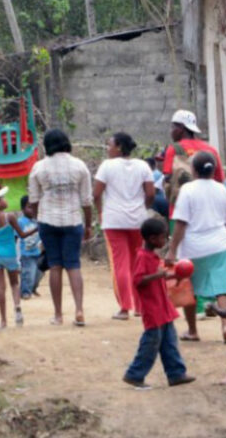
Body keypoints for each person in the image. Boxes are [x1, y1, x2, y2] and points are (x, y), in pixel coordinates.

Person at [166, 151, 226, 342]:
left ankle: (193, 330)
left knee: (189, 289)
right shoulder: (222, 189)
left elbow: (180, 223)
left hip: (193, 247)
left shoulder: (187, 190)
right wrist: (223, 239)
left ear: (193, 170)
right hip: (220, 244)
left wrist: (172, 250)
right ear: (213, 170)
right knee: (222, 287)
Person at [27, 129, 93, 326]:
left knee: (55, 266)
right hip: (73, 220)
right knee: (73, 265)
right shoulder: (80, 166)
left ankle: (58, 314)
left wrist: (39, 220)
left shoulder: (39, 167)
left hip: (48, 220)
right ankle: (79, 310)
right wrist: (88, 225)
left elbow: (33, 200)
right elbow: (86, 201)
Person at [123, 217, 196, 389]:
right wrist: (158, 275)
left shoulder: (153, 256)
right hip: (152, 309)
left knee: (169, 342)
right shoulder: (142, 257)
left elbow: (159, 277)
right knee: (150, 343)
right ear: (152, 238)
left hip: (163, 307)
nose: (165, 241)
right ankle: (135, 374)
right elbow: (138, 280)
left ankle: (176, 374)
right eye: (164, 237)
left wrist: (175, 275)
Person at [93, 132, 155, 321]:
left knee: (120, 263)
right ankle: (139, 306)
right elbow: (151, 193)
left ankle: (124, 307)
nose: (107, 149)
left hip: (114, 219)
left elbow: (96, 194)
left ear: (119, 147)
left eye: (109, 145)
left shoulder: (107, 166)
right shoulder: (143, 165)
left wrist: (100, 212)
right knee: (138, 262)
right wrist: (142, 208)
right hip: (138, 220)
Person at [0, 187, 37, 329]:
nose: (5, 200)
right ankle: (17, 308)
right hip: (10, 255)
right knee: (14, 284)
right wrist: (37, 228)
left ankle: (3, 321)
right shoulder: (9, 216)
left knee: (0, 287)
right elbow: (22, 235)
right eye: (1, 198)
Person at [162, 110, 225, 186]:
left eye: (173, 127)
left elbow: (168, 179)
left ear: (181, 128)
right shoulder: (211, 150)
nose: (171, 131)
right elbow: (219, 179)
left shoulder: (173, 149)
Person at [18, 196, 43, 299]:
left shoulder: (38, 220)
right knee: (28, 273)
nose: (32, 210)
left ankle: (33, 288)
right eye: (29, 207)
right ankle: (25, 291)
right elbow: (18, 236)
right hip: (27, 253)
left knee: (39, 273)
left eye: (34, 207)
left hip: (38, 252)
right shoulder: (20, 222)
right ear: (23, 209)